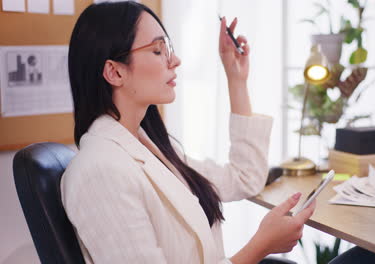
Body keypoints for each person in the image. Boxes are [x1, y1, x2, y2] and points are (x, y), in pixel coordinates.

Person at [61, 2, 315, 263]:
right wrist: (260, 246)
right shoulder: (100, 172)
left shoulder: (153, 147)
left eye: (168, 47)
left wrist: (235, 78)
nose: (175, 60)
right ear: (114, 72)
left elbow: (245, 178)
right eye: (158, 50)